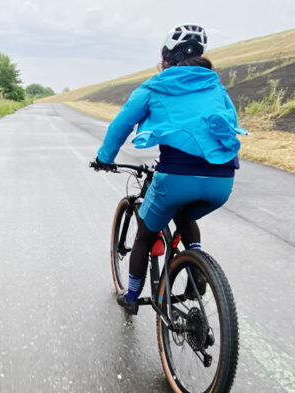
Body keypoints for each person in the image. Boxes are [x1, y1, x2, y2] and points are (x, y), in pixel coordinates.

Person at [94, 23, 245, 314]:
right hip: (222, 180)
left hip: (176, 177)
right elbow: (229, 125)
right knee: (184, 215)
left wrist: (105, 157)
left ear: (166, 59)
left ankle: (132, 298)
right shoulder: (216, 86)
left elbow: (122, 124)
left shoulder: (154, 87)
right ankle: (197, 267)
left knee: (145, 235)